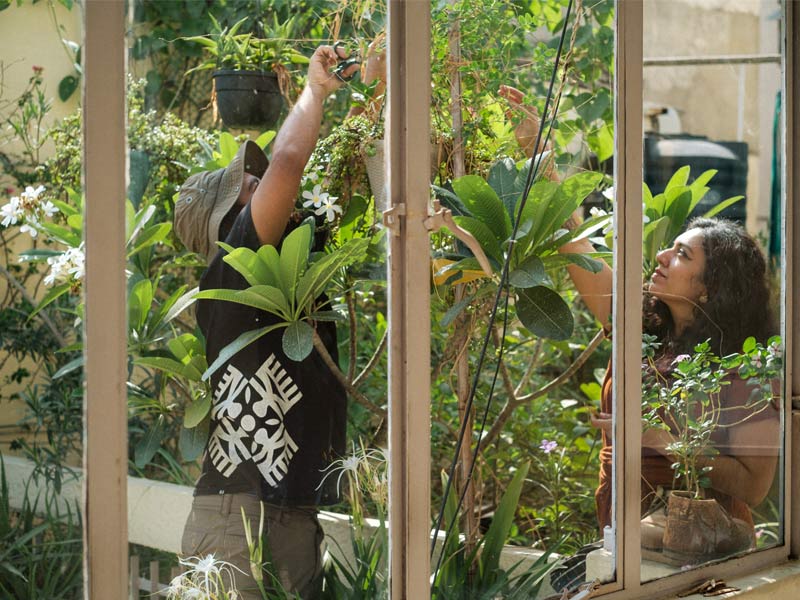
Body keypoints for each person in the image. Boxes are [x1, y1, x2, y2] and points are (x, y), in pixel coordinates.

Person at [173, 45, 359, 599]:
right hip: (236, 521)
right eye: (249, 189)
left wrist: (372, 96)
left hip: (287, 515)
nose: (269, 188)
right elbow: (289, 162)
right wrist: (316, 89)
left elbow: (345, 183)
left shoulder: (282, 278)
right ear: (226, 223)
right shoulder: (233, 270)